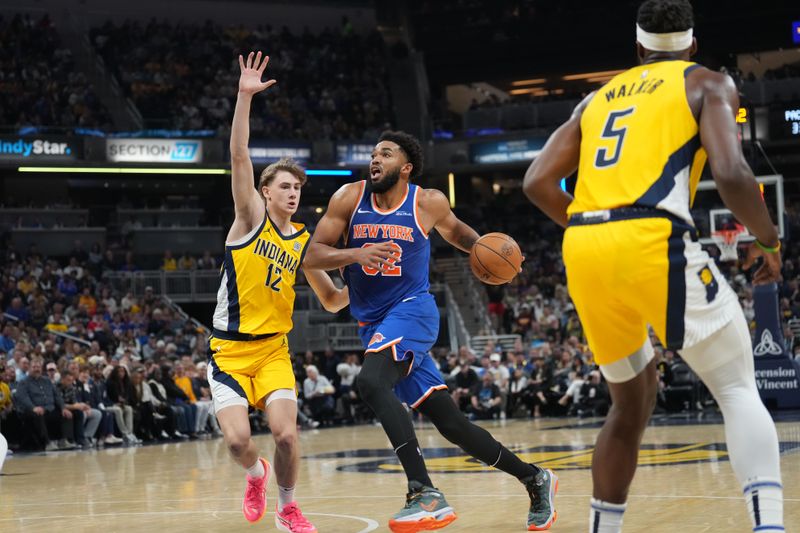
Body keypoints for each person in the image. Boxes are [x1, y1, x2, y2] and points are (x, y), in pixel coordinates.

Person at [522, 1, 784, 531]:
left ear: (638, 48)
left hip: (585, 245)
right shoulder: (708, 82)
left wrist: (593, 232)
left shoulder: (594, 100)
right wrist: (769, 240)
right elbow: (732, 175)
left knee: (632, 400)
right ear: (692, 45)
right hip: (651, 234)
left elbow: (536, 183)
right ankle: (771, 525)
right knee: (735, 386)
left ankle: (605, 528)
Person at [304, 129, 558, 532]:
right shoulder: (348, 198)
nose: (375, 159)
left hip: (413, 311)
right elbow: (312, 255)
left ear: (405, 168)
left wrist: (498, 257)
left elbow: (461, 235)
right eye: (373, 154)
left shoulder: (427, 201)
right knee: (451, 423)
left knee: (371, 383)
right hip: (374, 323)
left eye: (385, 154)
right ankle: (534, 478)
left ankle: (422, 491)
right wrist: (357, 253)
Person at [208, 51, 348, 533]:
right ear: (265, 192)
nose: (293, 193)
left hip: (272, 352)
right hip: (228, 354)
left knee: (287, 435)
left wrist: (373, 287)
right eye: (284, 186)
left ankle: (288, 507)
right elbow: (239, 156)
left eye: (297, 188)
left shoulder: (304, 243)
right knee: (237, 443)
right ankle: (255, 475)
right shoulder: (248, 220)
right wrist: (244, 97)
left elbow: (331, 300)